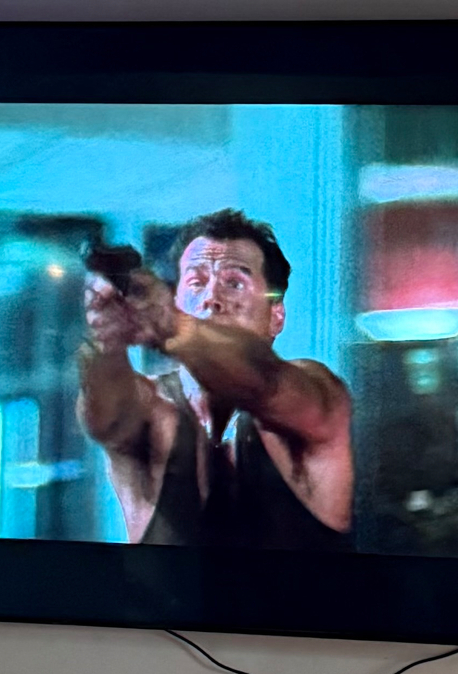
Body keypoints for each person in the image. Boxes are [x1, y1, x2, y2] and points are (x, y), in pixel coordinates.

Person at [77, 209, 354, 550]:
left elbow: (263, 382)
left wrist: (172, 326)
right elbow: (108, 416)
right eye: (196, 282)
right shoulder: (152, 405)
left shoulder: (313, 391)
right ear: (178, 298)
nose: (211, 298)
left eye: (234, 283)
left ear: (276, 315)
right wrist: (108, 342)